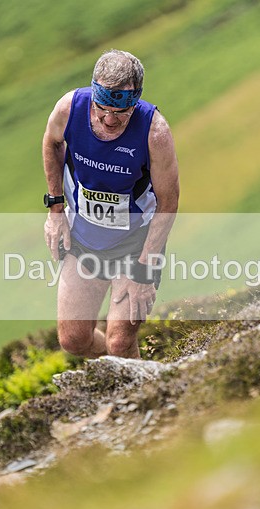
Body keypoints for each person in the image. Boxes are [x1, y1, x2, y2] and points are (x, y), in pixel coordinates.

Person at [42, 49, 179, 359]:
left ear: (136, 102)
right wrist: (56, 210)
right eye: (101, 108)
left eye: (122, 112)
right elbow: (52, 142)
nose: (109, 119)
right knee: (73, 340)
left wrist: (144, 270)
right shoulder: (69, 108)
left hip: (135, 245)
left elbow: (168, 203)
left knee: (119, 343)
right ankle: (126, 374)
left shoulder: (155, 132)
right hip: (84, 239)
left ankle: (141, 394)